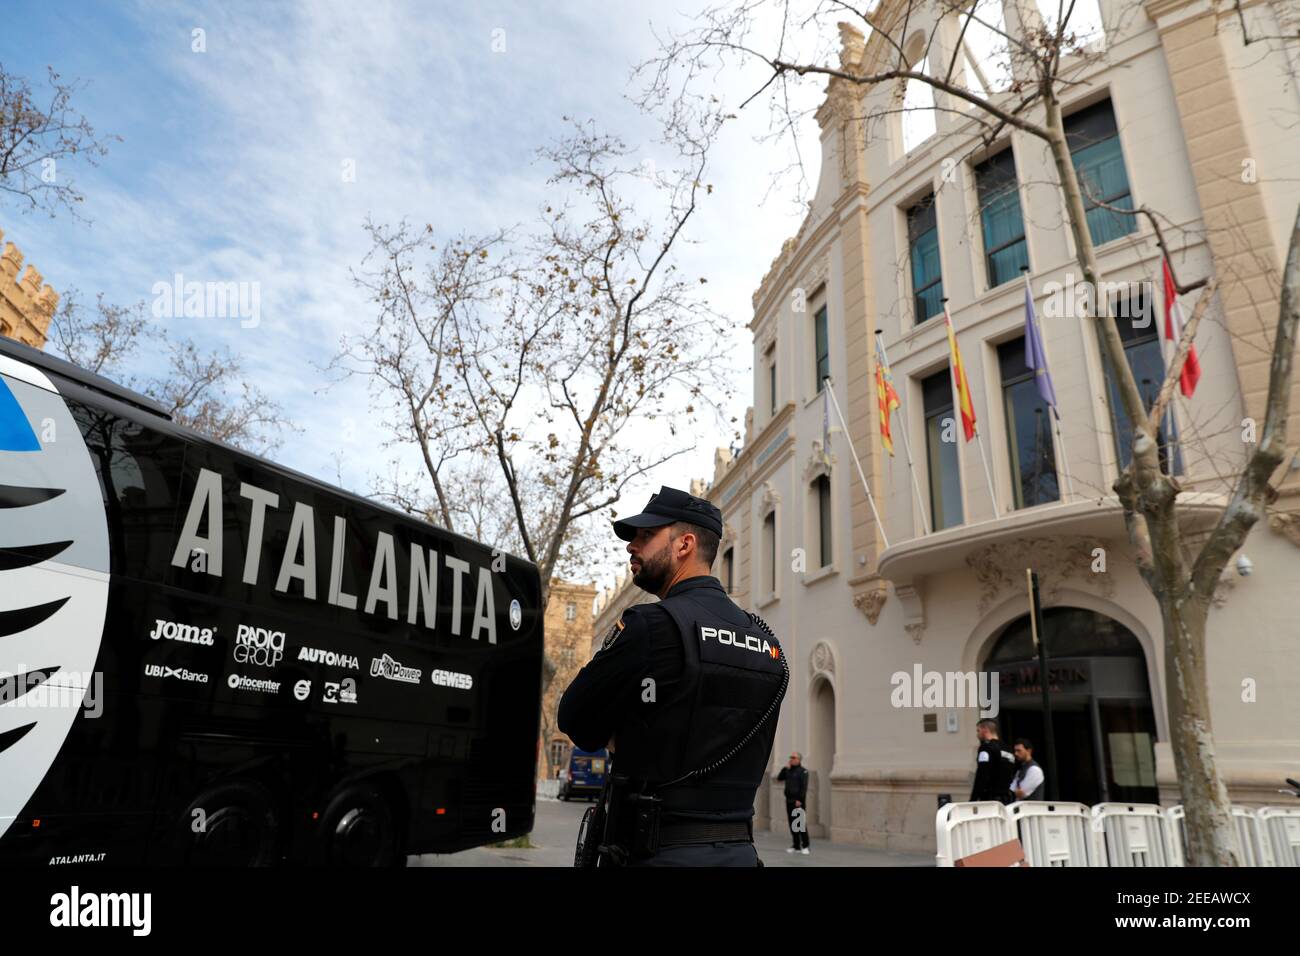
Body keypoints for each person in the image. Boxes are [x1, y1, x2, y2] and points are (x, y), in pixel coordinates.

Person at [558, 486, 788, 866]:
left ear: (684, 544)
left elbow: (575, 720)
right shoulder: (768, 644)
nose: (632, 545)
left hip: (658, 853)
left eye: (646, 535)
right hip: (740, 855)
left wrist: (627, 733)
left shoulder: (650, 627)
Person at [969, 718, 1016, 803]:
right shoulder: (1008, 749)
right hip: (1007, 800)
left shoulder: (986, 748)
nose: (977, 735)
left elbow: (982, 775)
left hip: (990, 800)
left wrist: (973, 799)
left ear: (985, 730)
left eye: (978, 731)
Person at [776, 752, 810, 854]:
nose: (791, 759)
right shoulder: (788, 771)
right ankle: (796, 846)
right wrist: (785, 768)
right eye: (790, 757)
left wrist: (800, 800)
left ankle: (805, 846)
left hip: (798, 802)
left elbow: (804, 787)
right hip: (789, 801)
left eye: (793, 757)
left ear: (799, 759)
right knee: (792, 824)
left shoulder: (803, 771)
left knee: (800, 824)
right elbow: (779, 778)